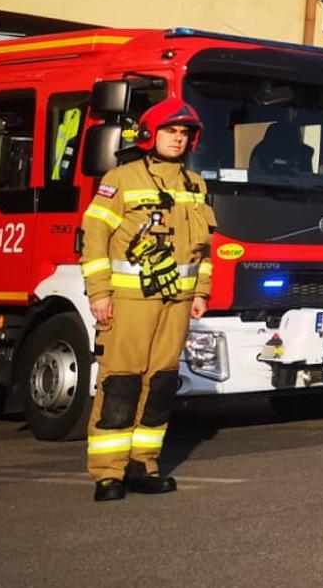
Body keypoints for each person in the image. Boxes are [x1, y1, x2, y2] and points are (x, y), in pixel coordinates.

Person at [81, 97, 218, 501]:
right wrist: (100, 294)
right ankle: (108, 474)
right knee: (121, 381)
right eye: (170, 132)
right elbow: (95, 239)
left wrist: (201, 294)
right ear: (148, 136)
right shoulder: (120, 179)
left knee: (160, 384)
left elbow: (203, 251)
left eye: (183, 134)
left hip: (176, 303)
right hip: (128, 302)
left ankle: (144, 465)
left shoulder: (196, 184)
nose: (177, 140)